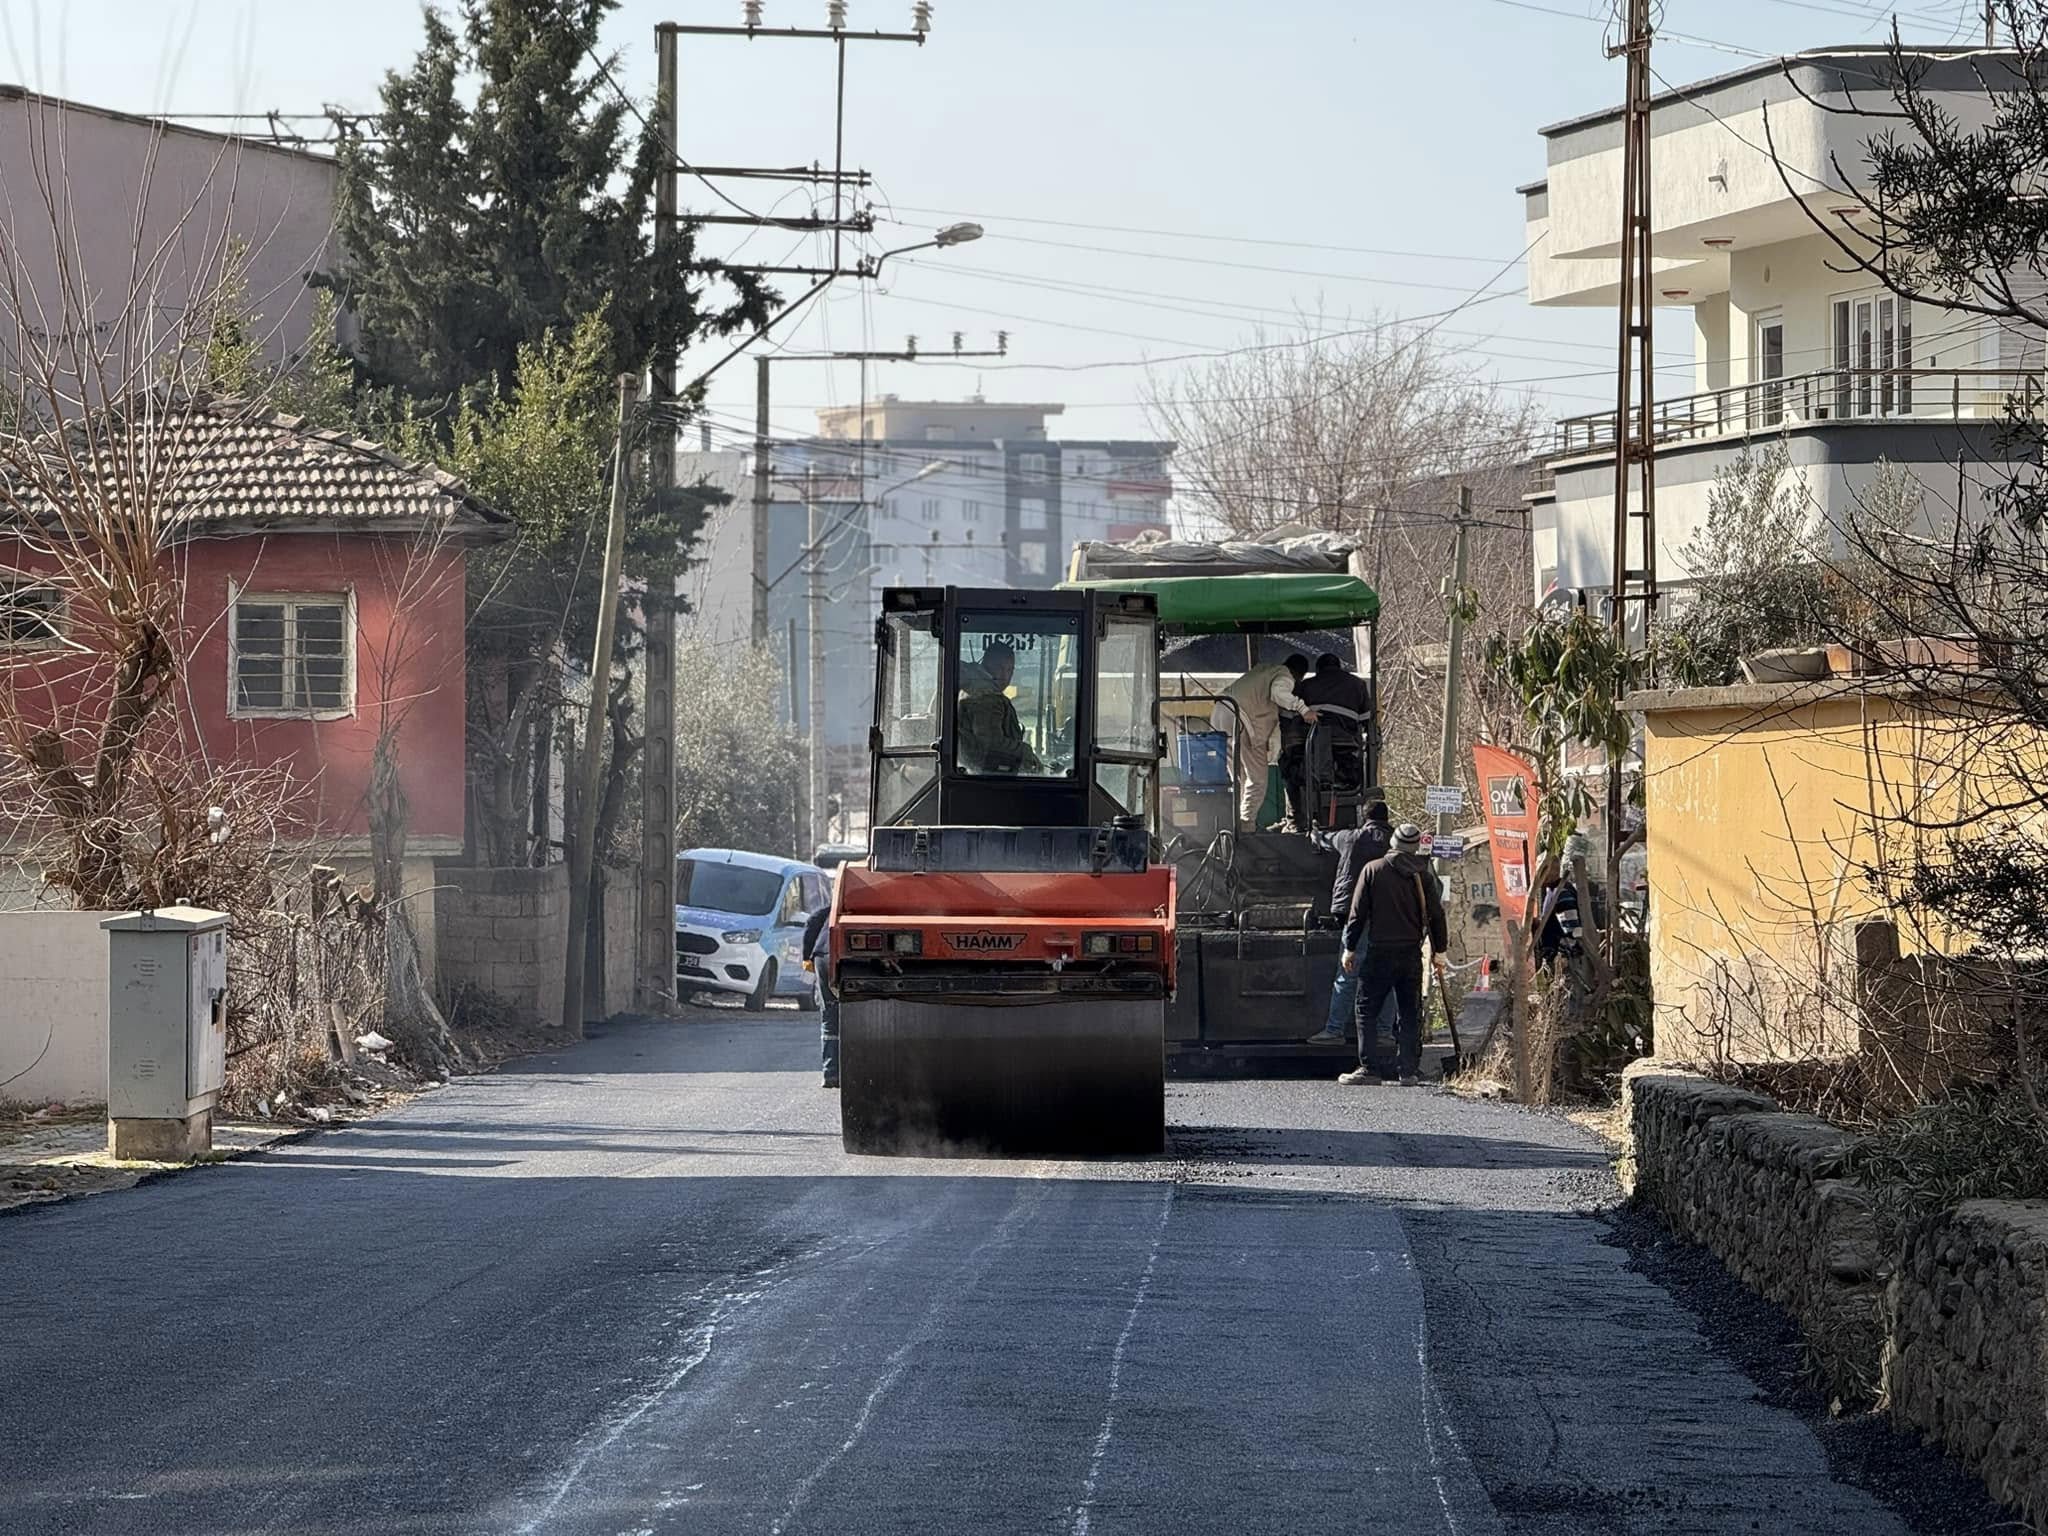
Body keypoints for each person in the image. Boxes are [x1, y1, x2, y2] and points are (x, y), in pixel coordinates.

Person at [1338, 822, 1448, 1086]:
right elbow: (1436, 915)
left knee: (1366, 1009)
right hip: (1411, 953)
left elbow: (1357, 914)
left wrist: (1349, 948)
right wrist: (1440, 952)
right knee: (1409, 1012)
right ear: (1415, 847)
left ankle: (1369, 1068)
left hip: (1380, 951)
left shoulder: (1373, 870)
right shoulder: (1423, 875)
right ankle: (1408, 1070)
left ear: (1393, 843)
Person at [1303, 800, 1392, 1046]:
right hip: (1388, 916)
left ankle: (1334, 1030)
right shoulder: (1393, 842)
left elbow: (1323, 840)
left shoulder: (1350, 838)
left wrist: (1315, 832)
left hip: (1355, 914)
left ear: (1364, 817)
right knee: (1386, 976)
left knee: (1347, 973)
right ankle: (1384, 1033)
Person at [1212, 653, 1316, 829]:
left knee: (1239, 776)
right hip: (1242, 718)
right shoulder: (1284, 675)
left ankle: (1235, 822)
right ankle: (1246, 825)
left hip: (1220, 711)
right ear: (1299, 675)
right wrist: (1304, 709)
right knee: (1257, 779)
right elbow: (1278, 693)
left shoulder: (1264, 670)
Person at [956, 641, 1042, 775]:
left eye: (1009, 670)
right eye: (999, 668)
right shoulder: (987, 697)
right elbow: (991, 744)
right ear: (986, 665)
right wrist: (1024, 751)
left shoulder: (972, 685)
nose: (1005, 676)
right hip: (987, 774)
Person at [802, 892, 839, 1088]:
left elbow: (811, 922)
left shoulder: (830, 911)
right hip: (847, 957)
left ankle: (831, 1072)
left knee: (830, 1014)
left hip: (823, 956)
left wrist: (806, 957)